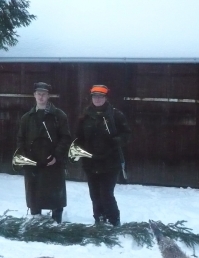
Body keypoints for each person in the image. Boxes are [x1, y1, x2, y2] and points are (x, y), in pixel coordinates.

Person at [75, 85, 131, 227]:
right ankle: (98, 219)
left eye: (101, 96)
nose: (98, 99)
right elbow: (78, 137)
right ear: (91, 98)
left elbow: (127, 134)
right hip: (91, 162)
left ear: (105, 98)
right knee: (94, 194)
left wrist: (116, 141)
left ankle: (113, 221)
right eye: (95, 96)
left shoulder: (116, 115)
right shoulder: (84, 116)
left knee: (106, 194)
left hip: (110, 162)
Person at [16, 82, 71, 223]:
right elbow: (20, 139)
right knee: (34, 197)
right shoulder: (26, 118)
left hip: (53, 163)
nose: (41, 97)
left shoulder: (59, 116)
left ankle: (57, 224)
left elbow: (65, 138)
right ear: (34, 95)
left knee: (55, 197)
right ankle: (35, 224)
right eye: (38, 93)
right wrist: (26, 159)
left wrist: (56, 156)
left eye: (44, 94)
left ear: (48, 96)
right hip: (33, 163)